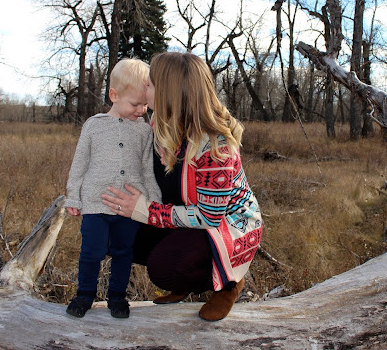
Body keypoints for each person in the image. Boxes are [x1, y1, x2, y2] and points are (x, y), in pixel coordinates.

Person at [102, 51, 262, 321]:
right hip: (182, 214)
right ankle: (185, 271)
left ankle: (230, 283)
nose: (145, 88)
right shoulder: (160, 123)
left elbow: (209, 217)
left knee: (165, 268)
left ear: (168, 93)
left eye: (150, 84)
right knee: (109, 231)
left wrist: (144, 211)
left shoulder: (216, 148)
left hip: (224, 229)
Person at [64, 58, 162, 319]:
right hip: (96, 202)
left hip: (129, 205)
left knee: (123, 252)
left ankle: (117, 297)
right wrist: (73, 195)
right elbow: (80, 163)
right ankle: (84, 295)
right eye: (134, 104)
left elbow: (146, 169)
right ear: (114, 95)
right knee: (91, 252)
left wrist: (154, 200)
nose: (141, 110)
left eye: (144, 104)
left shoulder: (144, 131)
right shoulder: (93, 126)